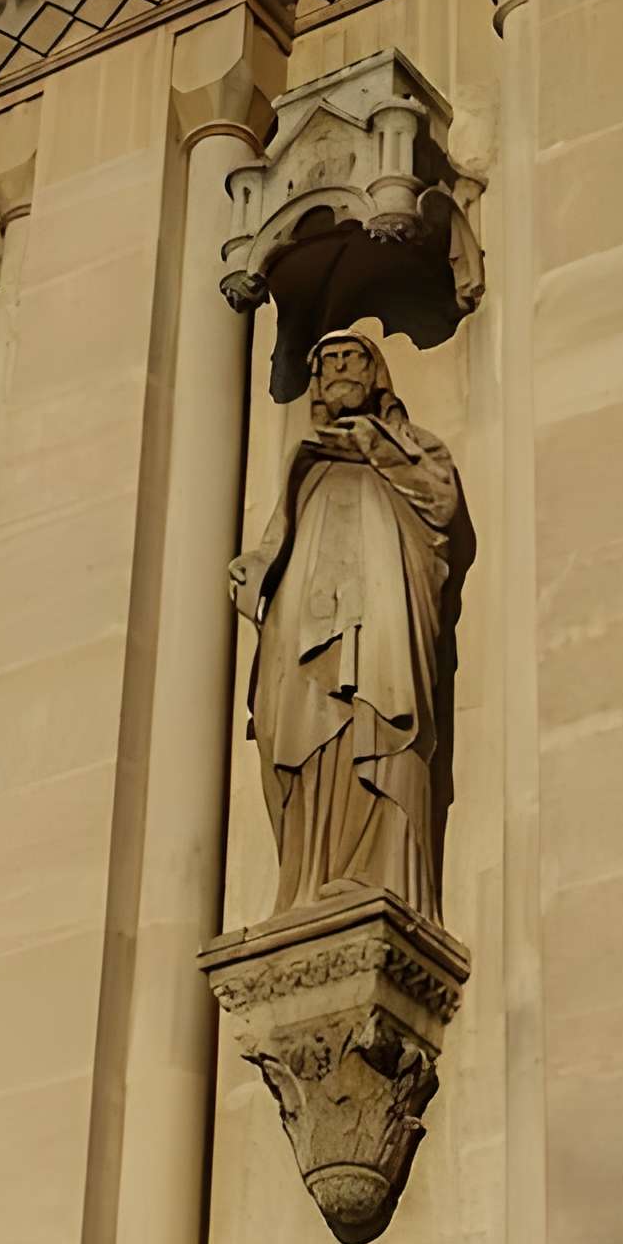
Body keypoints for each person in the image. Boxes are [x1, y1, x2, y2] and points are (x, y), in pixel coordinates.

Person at [230, 332, 460, 923]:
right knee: (306, 727)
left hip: (381, 621)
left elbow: (440, 506)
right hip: (306, 633)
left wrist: (377, 449)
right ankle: (311, 876)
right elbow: (277, 545)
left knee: (375, 720)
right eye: (326, 359)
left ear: (375, 371)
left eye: (350, 357)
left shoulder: (411, 446)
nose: (337, 367)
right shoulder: (306, 466)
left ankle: (378, 870)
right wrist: (253, 573)